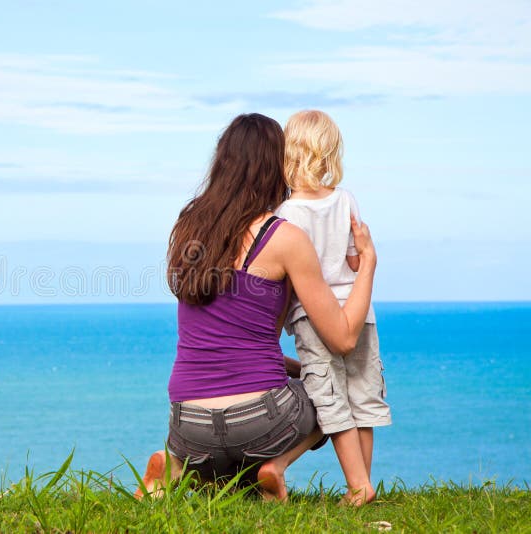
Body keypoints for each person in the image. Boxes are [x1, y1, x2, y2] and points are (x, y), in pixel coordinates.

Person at [135, 113, 378, 505]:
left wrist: (297, 368)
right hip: (259, 421)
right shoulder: (283, 237)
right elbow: (344, 337)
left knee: (221, 464)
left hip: (186, 424)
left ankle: (176, 466)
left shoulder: (190, 228)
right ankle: (276, 465)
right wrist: (367, 264)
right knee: (332, 389)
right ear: (275, 166)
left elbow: (234, 343)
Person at [275, 110, 391, 504]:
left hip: (313, 317)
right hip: (359, 314)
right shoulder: (346, 200)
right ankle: (362, 482)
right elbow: (357, 260)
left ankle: (358, 487)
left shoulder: (286, 214)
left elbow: (286, 276)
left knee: (331, 399)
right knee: (363, 397)